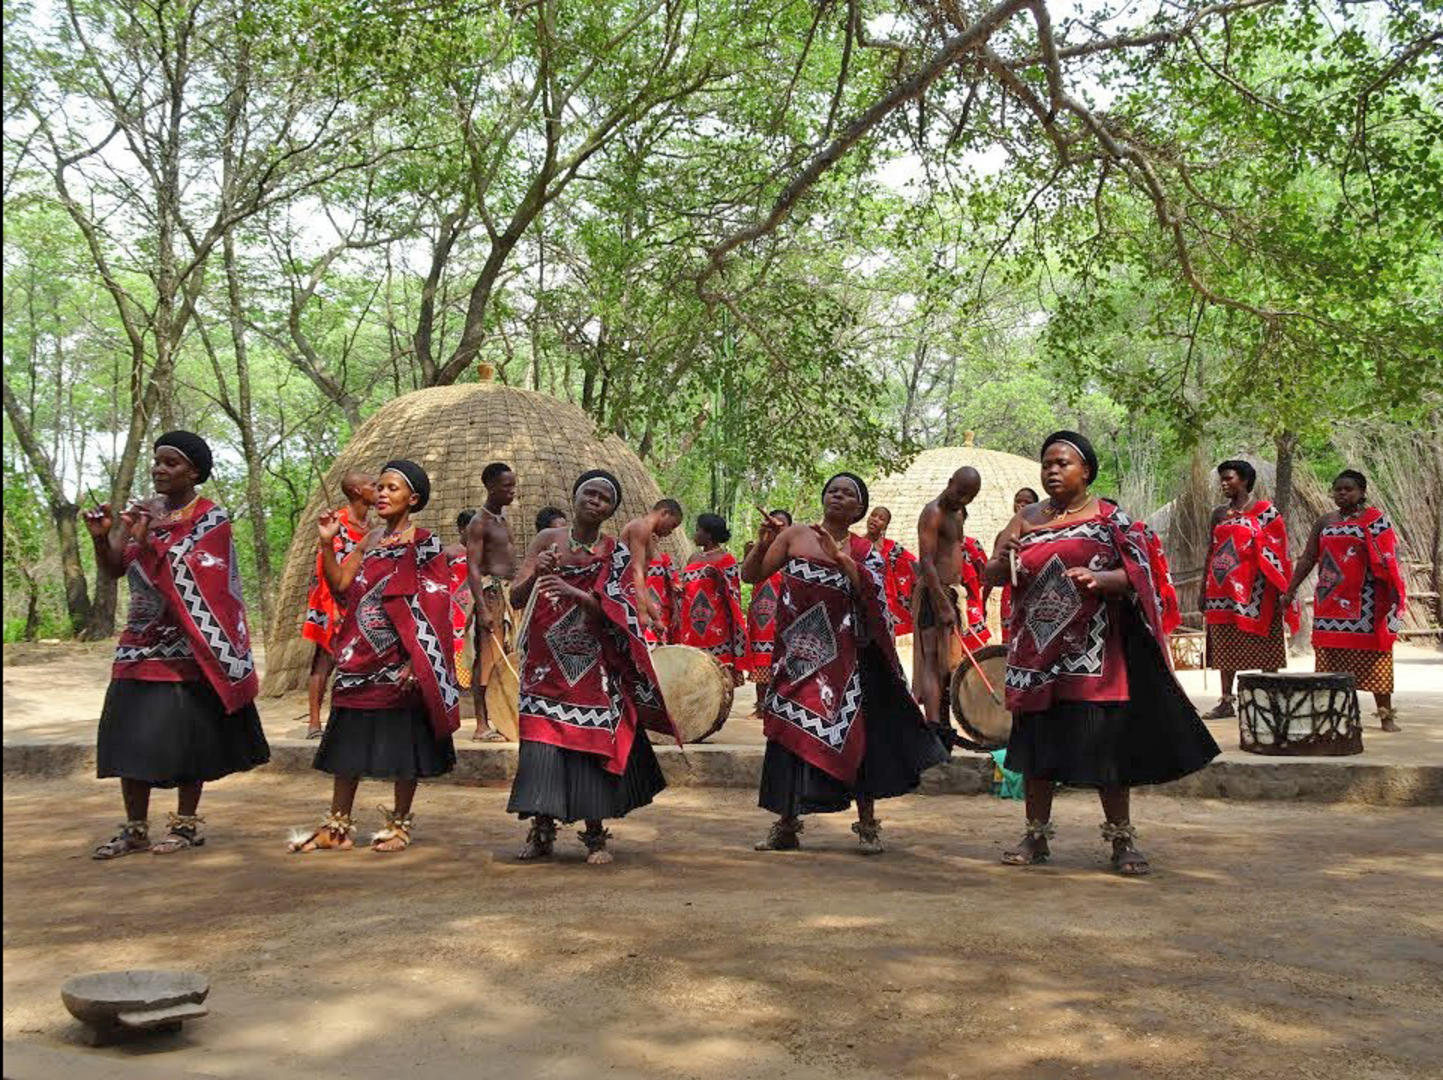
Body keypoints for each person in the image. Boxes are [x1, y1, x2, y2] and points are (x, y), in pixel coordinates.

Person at [985, 432, 1219, 876]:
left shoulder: (1110, 518)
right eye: (1047, 463)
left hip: (1094, 653)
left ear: (1086, 472)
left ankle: (1120, 838)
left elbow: (1141, 570)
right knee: (1038, 747)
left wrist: (1105, 580)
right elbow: (992, 575)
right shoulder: (1024, 520)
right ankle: (1036, 835)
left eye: (1062, 463)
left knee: (1106, 747)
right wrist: (1003, 557)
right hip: (1036, 654)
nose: (1052, 470)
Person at [84, 431, 270, 858]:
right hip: (139, 644)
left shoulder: (211, 519)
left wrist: (148, 540)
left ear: (195, 472)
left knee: (190, 738)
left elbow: (200, 576)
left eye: (172, 463)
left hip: (192, 648)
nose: (160, 469)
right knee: (129, 736)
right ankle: (134, 828)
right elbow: (115, 568)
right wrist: (102, 535)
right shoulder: (139, 511)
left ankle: (185, 826)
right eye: (157, 461)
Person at [743, 474, 948, 854]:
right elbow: (751, 575)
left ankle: (867, 824)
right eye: (833, 490)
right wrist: (764, 543)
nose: (838, 496)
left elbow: (873, 597)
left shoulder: (864, 550)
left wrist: (841, 560)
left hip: (847, 660)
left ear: (859, 509)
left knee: (857, 740)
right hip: (798, 655)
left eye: (848, 494)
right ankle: (786, 826)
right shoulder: (795, 535)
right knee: (788, 733)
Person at [506, 470, 681, 864]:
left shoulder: (615, 554)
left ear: (611, 510)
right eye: (590, 492)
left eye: (604, 498)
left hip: (591, 666)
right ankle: (541, 831)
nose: (595, 500)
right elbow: (517, 597)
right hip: (545, 665)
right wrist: (539, 572)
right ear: (575, 495)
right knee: (543, 745)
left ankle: (595, 834)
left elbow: (618, 612)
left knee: (591, 742)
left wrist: (574, 593)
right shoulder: (546, 541)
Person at [289, 460, 460, 854]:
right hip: (358, 656)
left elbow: (436, 604)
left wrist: (417, 661)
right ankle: (337, 826)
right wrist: (327, 542)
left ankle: (399, 825)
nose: (382, 494)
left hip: (401, 662)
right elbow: (341, 586)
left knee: (405, 744)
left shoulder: (426, 544)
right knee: (347, 740)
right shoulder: (367, 541)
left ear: (412, 499)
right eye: (379, 487)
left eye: (391, 488)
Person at [1285, 469, 1408, 731]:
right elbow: (1308, 558)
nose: (1342, 493)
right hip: (1329, 601)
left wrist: (1396, 591)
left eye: (1348, 489)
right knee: (1329, 659)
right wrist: (1291, 589)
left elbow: (1390, 558)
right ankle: (1332, 716)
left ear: (1362, 492)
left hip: (1368, 601)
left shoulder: (1376, 521)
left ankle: (1385, 714)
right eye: (1338, 489)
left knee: (1376, 656)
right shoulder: (1325, 522)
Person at [1199, 460, 1298, 719]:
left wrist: (1282, 588)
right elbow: (1212, 551)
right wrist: (1202, 589)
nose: (1223, 483)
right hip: (1222, 590)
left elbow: (1279, 548)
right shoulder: (1219, 514)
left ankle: (1272, 698)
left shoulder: (1266, 511)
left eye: (1229, 478)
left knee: (1267, 643)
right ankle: (1226, 701)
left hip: (1259, 590)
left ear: (1244, 480)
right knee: (1224, 644)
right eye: (1221, 479)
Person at [300, 472, 375, 738]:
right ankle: (314, 722)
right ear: (356, 490)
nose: (378, 490)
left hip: (357, 601)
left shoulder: (370, 527)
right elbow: (327, 565)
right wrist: (337, 604)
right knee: (325, 659)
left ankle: (347, 719)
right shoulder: (337, 522)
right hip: (330, 598)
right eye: (372, 485)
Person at [911, 467, 981, 729]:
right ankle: (934, 726)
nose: (963, 499)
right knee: (931, 659)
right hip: (934, 592)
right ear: (950, 482)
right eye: (960, 492)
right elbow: (926, 561)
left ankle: (943, 724)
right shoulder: (933, 513)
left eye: (969, 497)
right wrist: (940, 602)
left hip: (950, 592)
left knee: (946, 664)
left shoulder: (959, 511)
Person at [466, 462, 519, 741]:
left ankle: (500, 717)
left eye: (513, 485)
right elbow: (472, 567)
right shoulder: (480, 522)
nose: (512, 491)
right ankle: (480, 724)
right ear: (490, 487)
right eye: (506, 486)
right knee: (486, 660)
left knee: (505, 657)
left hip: (508, 595)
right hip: (491, 594)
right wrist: (483, 607)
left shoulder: (501, 520)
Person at [678, 513, 749, 686]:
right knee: (691, 678)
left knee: (719, 681)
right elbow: (686, 589)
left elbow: (735, 595)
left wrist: (720, 579)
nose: (695, 534)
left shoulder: (727, 560)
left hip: (716, 628)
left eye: (698, 530)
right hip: (690, 626)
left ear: (708, 535)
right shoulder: (693, 558)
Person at [746, 509, 793, 713]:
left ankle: (782, 705)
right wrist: (760, 543)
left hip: (785, 613)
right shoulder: (756, 548)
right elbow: (746, 574)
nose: (777, 528)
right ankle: (761, 705)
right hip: (762, 615)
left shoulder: (795, 551)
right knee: (761, 657)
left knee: (783, 658)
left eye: (782, 525)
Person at [620, 499, 685, 640]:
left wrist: (656, 618)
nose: (670, 532)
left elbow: (641, 582)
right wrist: (642, 612)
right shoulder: (641, 527)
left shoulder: (649, 537)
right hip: (621, 594)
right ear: (665, 513)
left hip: (631, 595)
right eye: (672, 525)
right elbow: (634, 571)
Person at [984, 487, 1039, 642]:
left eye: (1027, 502)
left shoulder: (1043, 533)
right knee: (1009, 642)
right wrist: (983, 602)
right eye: (1018, 501)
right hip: (1010, 595)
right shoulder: (1004, 535)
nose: (1021, 505)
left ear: (1036, 505)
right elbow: (992, 571)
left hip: (1035, 592)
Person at [864, 507, 917, 636]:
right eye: (873, 515)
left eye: (881, 518)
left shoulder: (892, 547)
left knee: (886, 642)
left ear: (885, 526)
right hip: (864, 601)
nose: (875, 519)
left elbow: (914, 564)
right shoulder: (857, 544)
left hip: (887, 604)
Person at [448, 508, 476, 696]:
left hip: (474, 610)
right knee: (455, 647)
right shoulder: (449, 553)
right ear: (461, 529)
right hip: (453, 612)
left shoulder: (483, 555)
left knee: (475, 649)